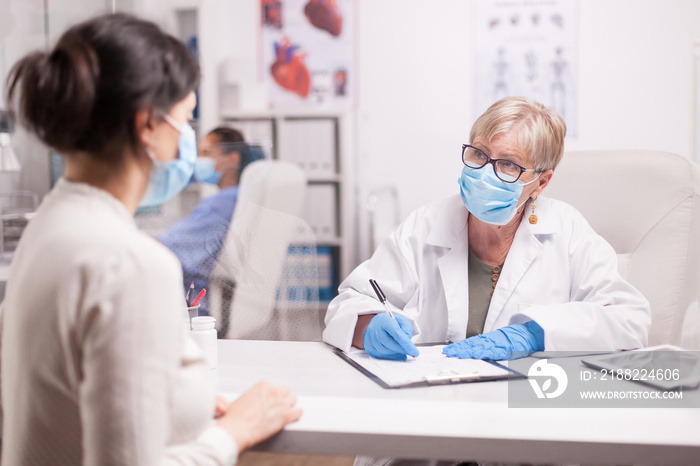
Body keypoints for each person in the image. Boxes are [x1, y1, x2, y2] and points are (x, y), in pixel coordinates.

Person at [0, 13, 300, 465]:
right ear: (147, 125)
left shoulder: (49, 224)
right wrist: (237, 431)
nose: (188, 139)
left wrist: (182, 396)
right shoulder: (132, 265)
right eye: (185, 119)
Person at [323, 96, 651, 364]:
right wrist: (368, 327)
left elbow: (629, 320)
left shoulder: (568, 232)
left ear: (541, 182)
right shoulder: (426, 224)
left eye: (508, 164)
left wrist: (535, 334)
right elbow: (350, 302)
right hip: (430, 406)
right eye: (479, 154)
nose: (485, 173)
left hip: (525, 410)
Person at [159, 127, 263, 317]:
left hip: (192, 305)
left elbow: (165, 251)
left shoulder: (222, 204)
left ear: (232, 159)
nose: (200, 160)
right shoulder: (238, 199)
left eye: (207, 153)